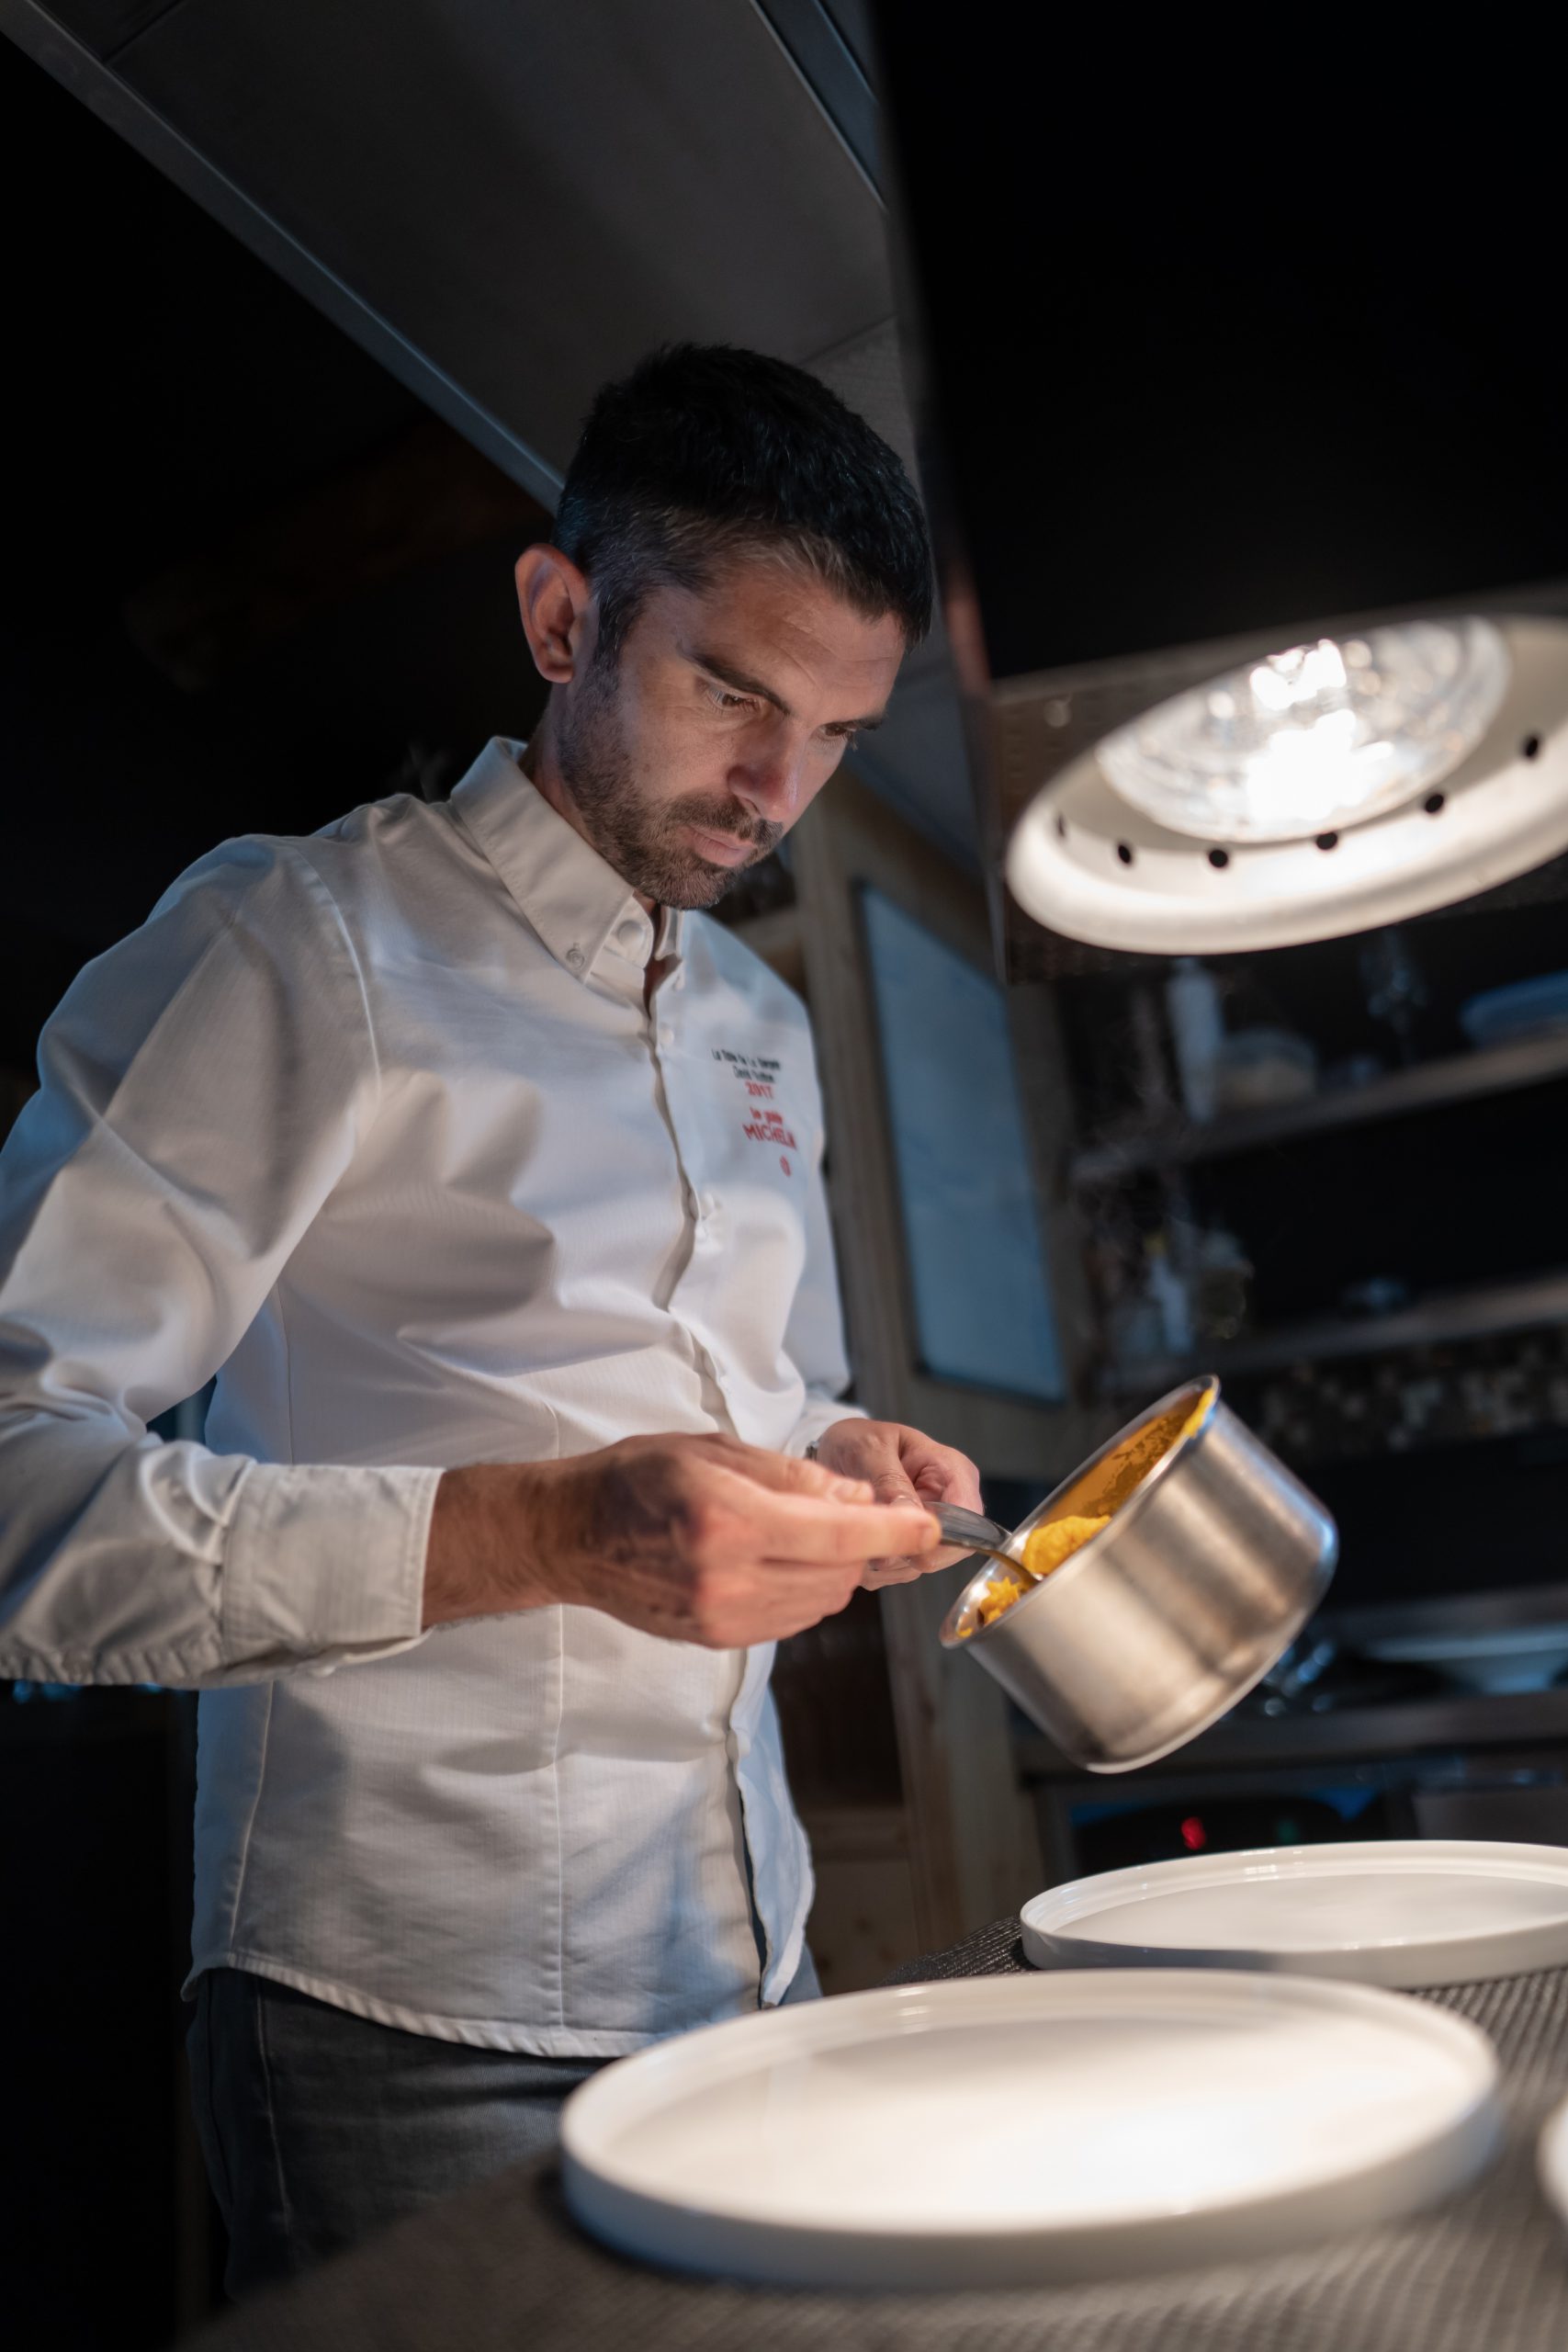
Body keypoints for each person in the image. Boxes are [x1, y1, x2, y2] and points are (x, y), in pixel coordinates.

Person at [0, 344, 987, 2290]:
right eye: (731, 690)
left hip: (745, 1952)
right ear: (561, 617)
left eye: (840, 732)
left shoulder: (756, 1024)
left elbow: (732, 1393)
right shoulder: (301, 943)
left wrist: (831, 1457)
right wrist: (547, 1531)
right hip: (399, 2010)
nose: (778, 788)